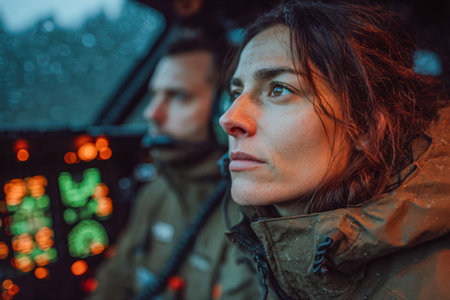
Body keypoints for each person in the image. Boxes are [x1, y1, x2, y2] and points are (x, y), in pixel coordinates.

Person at [219, 1, 450, 299]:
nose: (229, 118)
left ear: (365, 127)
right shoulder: (254, 242)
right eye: (236, 93)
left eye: (279, 89)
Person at [90, 33, 259, 300]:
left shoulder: (251, 216)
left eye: (177, 96)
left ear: (224, 109)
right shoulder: (155, 192)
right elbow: (115, 280)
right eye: (154, 95)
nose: (152, 113)